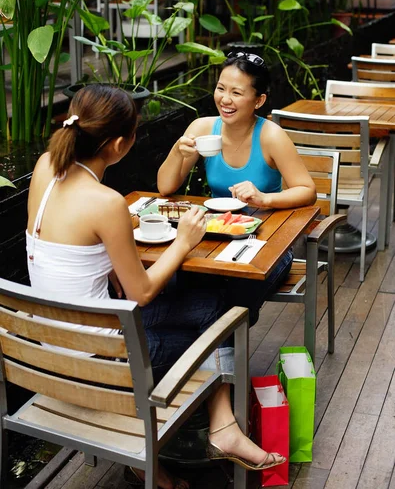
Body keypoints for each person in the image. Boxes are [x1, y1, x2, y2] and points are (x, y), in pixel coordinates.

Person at [26, 84, 286, 489]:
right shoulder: (105, 202)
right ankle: (222, 430)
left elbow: (78, 252)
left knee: (205, 304)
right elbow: (141, 293)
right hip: (102, 361)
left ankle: (193, 440)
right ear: (118, 144)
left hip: (50, 345)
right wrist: (184, 241)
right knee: (225, 318)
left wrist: (122, 232)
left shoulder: (46, 167)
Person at [158, 51, 317, 326]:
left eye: (236, 92)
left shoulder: (270, 136)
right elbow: (165, 187)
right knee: (181, 284)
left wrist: (264, 198)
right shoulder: (203, 127)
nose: (225, 99)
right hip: (213, 238)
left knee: (231, 299)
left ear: (259, 100)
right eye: (221, 89)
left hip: (267, 244)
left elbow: (307, 190)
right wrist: (176, 150)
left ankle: (218, 348)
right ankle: (213, 349)